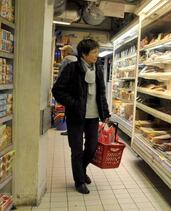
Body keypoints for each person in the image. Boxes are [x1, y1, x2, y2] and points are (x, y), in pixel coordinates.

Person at [52, 39, 110, 194]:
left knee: (91, 147)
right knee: (76, 149)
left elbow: (101, 93)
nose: (97, 55)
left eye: (97, 52)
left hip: (93, 116)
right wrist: (74, 103)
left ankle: (81, 170)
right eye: (94, 52)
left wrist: (105, 113)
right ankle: (79, 181)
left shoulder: (98, 68)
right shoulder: (72, 69)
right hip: (76, 116)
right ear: (84, 54)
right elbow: (57, 90)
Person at [57, 45, 77, 136]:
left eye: (63, 51)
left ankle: (70, 130)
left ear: (66, 52)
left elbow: (61, 76)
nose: (62, 53)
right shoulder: (77, 60)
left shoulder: (66, 60)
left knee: (69, 111)